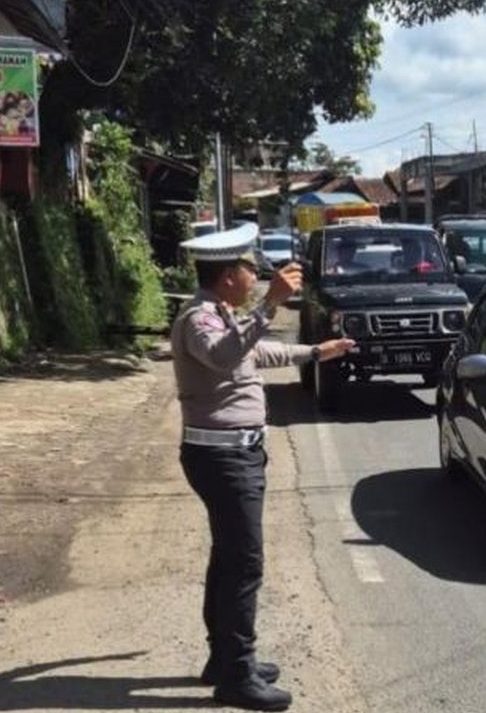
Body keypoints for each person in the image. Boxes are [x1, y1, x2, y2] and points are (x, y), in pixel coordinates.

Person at [171, 226, 354, 711]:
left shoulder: (222, 313)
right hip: (222, 456)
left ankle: (225, 658)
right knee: (244, 562)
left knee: (228, 556)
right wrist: (270, 304)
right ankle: (236, 675)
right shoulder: (198, 319)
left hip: (236, 453)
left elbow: (254, 353)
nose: (258, 275)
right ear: (229, 276)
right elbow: (225, 355)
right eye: (251, 269)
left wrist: (315, 352)